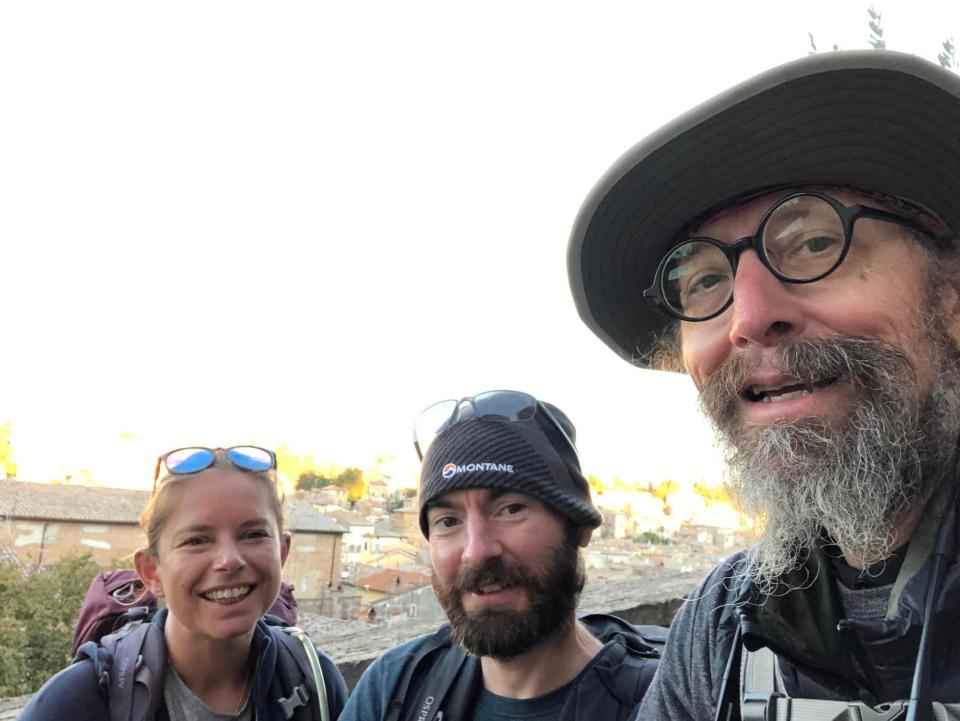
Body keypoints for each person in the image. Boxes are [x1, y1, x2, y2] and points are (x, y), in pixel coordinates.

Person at [567, 49, 960, 719]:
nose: (748, 317)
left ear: (952, 300)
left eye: (812, 243)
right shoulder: (723, 632)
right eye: (705, 281)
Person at [339, 391, 662, 721]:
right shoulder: (395, 687)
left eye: (511, 509)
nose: (476, 552)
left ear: (578, 524)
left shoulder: (668, 699)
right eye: (448, 521)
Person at [21, 445, 348, 721]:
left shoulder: (314, 683)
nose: (230, 559)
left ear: (282, 552)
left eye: (253, 534)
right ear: (151, 572)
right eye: (196, 540)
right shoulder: (76, 702)